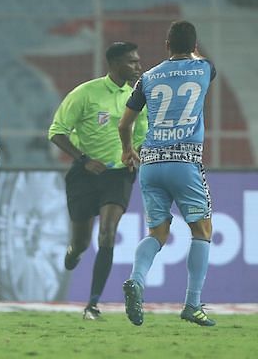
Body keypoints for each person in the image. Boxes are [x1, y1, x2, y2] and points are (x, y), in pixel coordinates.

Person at [119, 21, 216, 327]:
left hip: (151, 162)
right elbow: (200, 64)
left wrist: (126, 150)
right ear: (195, 44)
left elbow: (125, 124)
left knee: (157, 234)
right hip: (184, 162)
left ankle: (136, 279)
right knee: (202, 231)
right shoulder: (204, 68)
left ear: (165, 45)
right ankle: (192, 303)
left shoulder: (147, 77)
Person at [48, 42, 146, 320]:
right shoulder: (85, 94)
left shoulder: (137, 97)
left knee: (107, 232)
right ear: (114, 64)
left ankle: (92, 304)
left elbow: (140, 134)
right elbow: (56, 131)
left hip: (118, 174)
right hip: (85, 174)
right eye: (132, 62)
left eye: (138, 61)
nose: (138, 67)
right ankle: (74, 251)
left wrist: (133, 153)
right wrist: (83, 160)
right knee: (81, 241)